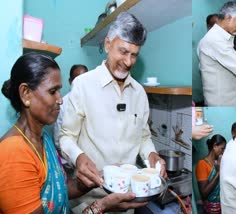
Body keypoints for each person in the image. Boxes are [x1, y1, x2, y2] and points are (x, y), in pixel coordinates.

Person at [0, 53, 147, 213]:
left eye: (59, 91)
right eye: (52, 91)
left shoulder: (43, 138)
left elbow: (61, 191)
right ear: (26, 94)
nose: (60, 99)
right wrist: (101, 206)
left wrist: (99, 177)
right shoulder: (14, 154)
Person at [59, 12, 167, 212]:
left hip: (127, 201)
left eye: (134, 55)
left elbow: (143, 136)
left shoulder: (139, 93)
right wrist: (79, 157)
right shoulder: (83, 85)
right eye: (123, 51)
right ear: (108, 44)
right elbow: (66, 136)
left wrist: (151, 153)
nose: (128, 61)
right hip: (87, 200)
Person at [53, 64, 88, 155]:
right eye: (77, 80)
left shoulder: (94, 100)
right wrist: (73, 158)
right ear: (70, 81)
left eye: (85, 79)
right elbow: (58, 139)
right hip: (70, 160)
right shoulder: (62, 104)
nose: (82, 83)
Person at [196, 134, 226, 214]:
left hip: (223, 205)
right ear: (215, 146)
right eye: (222, 149)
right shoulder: (202, 164)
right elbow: (204, 193)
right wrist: (219, 172)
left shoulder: (218, 162)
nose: (223, 152)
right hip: (211, 208)